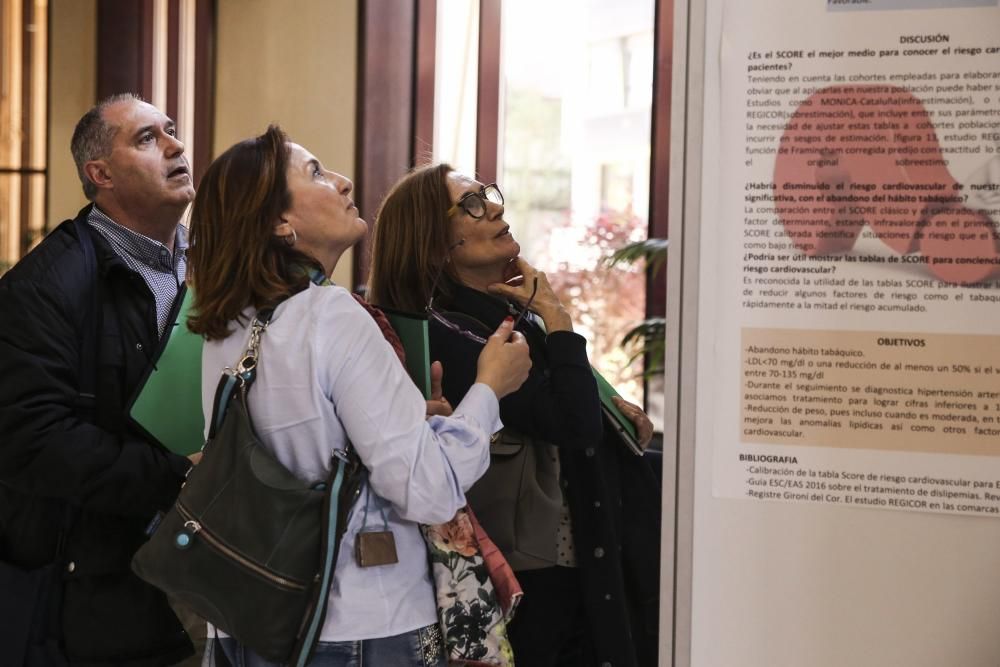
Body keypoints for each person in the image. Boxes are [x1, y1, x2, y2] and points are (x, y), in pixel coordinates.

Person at [186, 126, 531, 667]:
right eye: (317, 173)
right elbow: (426, 489)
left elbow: (311, 448)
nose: (344, 183)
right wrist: (490, 388)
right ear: (280, 223)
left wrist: (415, 424)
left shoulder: (227, 325)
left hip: (256, 613)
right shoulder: (334, 315)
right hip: (363, 621)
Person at [367, 163, 663, 667]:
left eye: (488, 195)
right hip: (533, 574)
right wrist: (560, 320)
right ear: (435, 242)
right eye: (472, 205)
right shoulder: (444, 333)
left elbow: (577, 408)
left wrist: (612, 409)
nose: (496, 208)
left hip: (569, 561)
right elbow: (570, 422)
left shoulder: (508, 314)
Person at [0, 94, 200, 664]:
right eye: (147, 138)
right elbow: (33, 442)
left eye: (171, 131)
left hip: (207, 577)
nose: (176, 145)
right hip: (94, 595)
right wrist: (178, 475)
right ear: (100, 174)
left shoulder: (213, 269)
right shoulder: (43, 287)